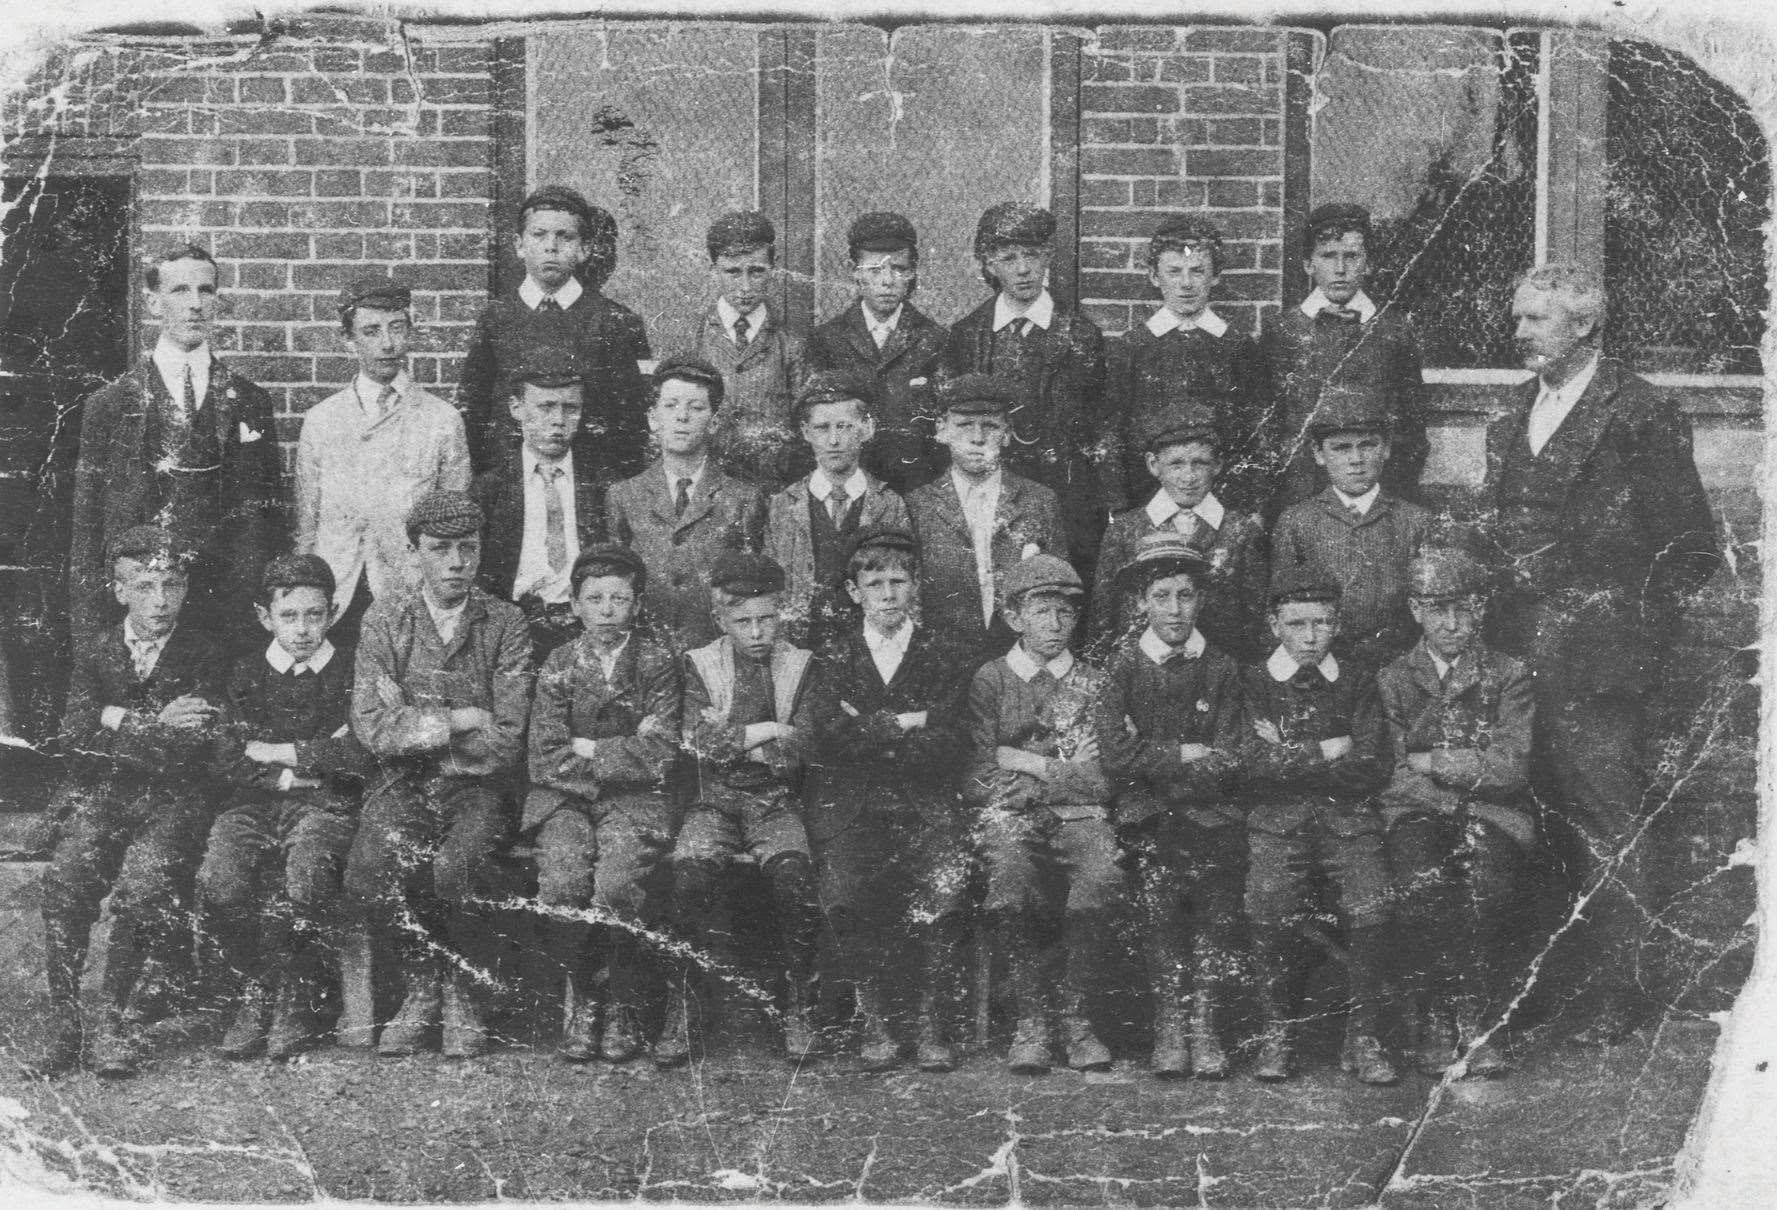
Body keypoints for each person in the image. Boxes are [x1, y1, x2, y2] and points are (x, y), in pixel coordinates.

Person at [1483, 262, 1720, 1045]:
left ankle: (1618, 993)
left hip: (1598, 659)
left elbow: (1687, 547)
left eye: (1533, 321)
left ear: (1584, 326)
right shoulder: (1518, 407)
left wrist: (1617, 620)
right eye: (1516, 318)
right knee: (1532, 814)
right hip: (1518, 652)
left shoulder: (1639, 411)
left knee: (1602, 820)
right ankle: (1545, 990)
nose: (1517, 333)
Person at [343, 490, 532, 1058]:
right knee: (371, 867)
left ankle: (465, 988)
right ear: (414, 552)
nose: (455, 562)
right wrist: (458, 719)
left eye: (467, 549)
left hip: (479, 789)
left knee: (456, 867)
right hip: (403, 786)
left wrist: (421, 728)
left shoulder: (505, 623)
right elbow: (373, 726)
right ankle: (423, 981)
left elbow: (507, 733)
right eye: (440, 549)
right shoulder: (385, 619)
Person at [33, 526, 226, 1077]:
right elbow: (72, 737)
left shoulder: (205, 654)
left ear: (186, 586)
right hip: (107, 796)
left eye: (171, 584)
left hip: (176, 800)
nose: (160, 600)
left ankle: (112, 1022)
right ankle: (66, 1022)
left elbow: (191, 751)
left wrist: (113, 719)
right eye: (143, 586)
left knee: (143, 887)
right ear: (119, 591)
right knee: (67, 881)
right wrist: (152, 724)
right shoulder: (96, 651)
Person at [807, 525, 976, 1071]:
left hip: (924, 802)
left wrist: (871, 729)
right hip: (852, 803)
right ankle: (873, 1015)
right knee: (844, 896)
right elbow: (829, 737)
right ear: (854, 592)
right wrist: (906, 722)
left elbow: (951, 739)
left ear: (916, 587)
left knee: (945, 895)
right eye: (873, 582)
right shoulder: (831, 654)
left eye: (898, 581)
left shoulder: (942, 653)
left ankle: (930, 1019)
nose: (887, 594)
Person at [197, 553, 370, 1062]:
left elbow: (358, 749)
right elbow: (225, 753)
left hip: (324, 804)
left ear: (333, 613)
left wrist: (275, 750)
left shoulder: (350, 670)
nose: (302, 629)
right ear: (264, 617)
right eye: (289, 616)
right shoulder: (245, 673)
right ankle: (258, 990)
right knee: (221, 881)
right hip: (250, 805)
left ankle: (297, 996)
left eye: (314, 615)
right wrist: (294, 770)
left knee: (307, 874)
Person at [69, 244, 284, 651]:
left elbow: (267, 521)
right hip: (146, 608)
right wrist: (90, 635)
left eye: (206, 291)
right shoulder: (109, 405)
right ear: (153, 302)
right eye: (180, 291)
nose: (195, 305)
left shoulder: (251, 402)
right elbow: (87, 530)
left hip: (226, 611)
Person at [657, 552, 824, 1065]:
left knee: (794, 877)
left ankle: (798, 1003)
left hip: (776, 800)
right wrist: (771, 729)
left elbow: (807, 744)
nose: (757, 632)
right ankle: (681, 1003)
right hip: (713, 802)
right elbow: (698, 741)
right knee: (688, 878)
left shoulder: (802, 664)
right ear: (721, 621)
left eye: (767, 618)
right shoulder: (699, 663)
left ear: (782, 614)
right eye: (743, 621)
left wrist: (744, 740)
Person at [1377, 546, 1534, 1078]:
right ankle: (1437, 1015)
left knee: (1489, 890)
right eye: (1438, 608)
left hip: (1491, 815)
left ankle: (1477, 1016)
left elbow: (1511, 768)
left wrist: (1434, 760)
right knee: (1421, 891)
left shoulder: (1508, 674)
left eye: (1463, 608)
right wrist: (1457, 781)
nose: (1452, 623)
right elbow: (1393, 769)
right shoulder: (1394, 678)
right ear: (1416, 610)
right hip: (1416, 812)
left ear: (1481, 608)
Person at [1093, 533, 1244, 1078]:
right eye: (1161, 597)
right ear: (1141, 602)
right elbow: (1115, 755)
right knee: (1157, 901)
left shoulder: (1223, 667)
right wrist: (1184, 750)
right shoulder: (1122, 667)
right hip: (1145, 816)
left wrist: (1152, 756)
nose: (1174, 610)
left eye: (1185, 595)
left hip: (1211, 815)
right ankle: (1168, 1024)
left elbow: (1229, 756)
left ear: (1200, 599)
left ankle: (1204, 1022)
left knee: (1216, 900)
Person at [524, 544, 681, 1064]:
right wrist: (618, 752)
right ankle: (585, 998)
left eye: (620, 597)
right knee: (563, 880)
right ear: (575, 605)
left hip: (635, 804)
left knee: (615, 885)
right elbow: (546, 755)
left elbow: (658, 754)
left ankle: (622, 1002)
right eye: (595, 598)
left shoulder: (658, 662)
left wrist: (587, 746)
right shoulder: (559, 663)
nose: (608, 609)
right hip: (564, 800)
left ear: (637, 604)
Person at [965, 553, 1120, 1075]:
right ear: (1014, 617)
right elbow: (978, 769)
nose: (1054, 625)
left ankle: (1076, 1018)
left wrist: (1029, 765)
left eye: (1066, 613)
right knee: (1007, 878)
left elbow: (1102, 777)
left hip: (1082, 816)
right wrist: (1056, 772)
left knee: (1100, 877)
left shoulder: (1095, 683)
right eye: (1040, 611)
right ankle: (1031, 1018)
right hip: (1010, 815)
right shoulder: (992, 679)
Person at [1241, 568, 1396, 1086]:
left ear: (1337, 624)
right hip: (1277, 822)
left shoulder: (1356, 679)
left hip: (1347, 819)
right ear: (1274, 624)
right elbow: (1249, 765)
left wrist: (1285, 753)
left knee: (1371, 899)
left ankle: (1364, 1034)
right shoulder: (1254, 681)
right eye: (1297, 623)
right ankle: (1276, 1032)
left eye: (1323, 624)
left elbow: (1372, 763)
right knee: (1267, 899)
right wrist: (1329, 748)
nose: (1310, 637)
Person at [296, 274, 470, 648]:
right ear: (349, 340)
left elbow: (455, 523)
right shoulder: (322, 419)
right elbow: (306, 524)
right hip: (338, 590)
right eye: (372, 331)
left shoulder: (441, 419)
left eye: (397, 328)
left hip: (408, 589)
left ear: (410, 332)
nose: (388, 343)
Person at [941, 202, 1111, 572]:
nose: (1022, 268)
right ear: (989, 264)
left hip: (1065, 497)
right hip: (990, 492)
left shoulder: (1080, 335)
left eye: (1032, 255)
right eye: (1009, 257)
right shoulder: (967, 335)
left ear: (1048, 257)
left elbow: (1101, 427)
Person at [456, 185, 652, 479]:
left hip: (590, 484)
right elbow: (475, 412)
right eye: (539, 235)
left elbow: (632, 424)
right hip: (513, 481)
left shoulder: (615, 321)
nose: (551, 246)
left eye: (565, 236)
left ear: (585, 248)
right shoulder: (496, 318)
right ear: (519, 245)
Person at [1258, 202, 1428, 516]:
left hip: (1377, 496)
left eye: (1351, 256)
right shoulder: (1281, 333)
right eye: (1327, 256)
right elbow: (1268, 425)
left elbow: (1412, 425)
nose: (1340, 269)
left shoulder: (1393, 331)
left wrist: (1395, 489)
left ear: (1369, 264)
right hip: (1301, 494)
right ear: (1308, 264)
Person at [606, 355, 766, 652]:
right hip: (646, 656)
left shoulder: (743, 498)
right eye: (670, 406)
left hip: (715, 652)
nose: (682, 417)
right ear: (653, 418)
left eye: (696, 408)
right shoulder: (624, 496)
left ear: (714, 421)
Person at [1090, 399, 1269, 664]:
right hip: (1141, 674)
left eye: (1200, 463)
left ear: (1218, 465)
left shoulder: (1241, 531)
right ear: (1153, 465)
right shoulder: (1125, 531)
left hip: (1219, 675)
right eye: (1176, 464)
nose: (1189, 476)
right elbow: (1104, 619)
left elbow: (1256, 620)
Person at [1108, 215, 1268, 511]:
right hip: (1147, 499)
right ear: (1155, 277)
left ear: (1215, 275)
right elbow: (1113, 434)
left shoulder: (1238, 347)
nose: (1185, 284)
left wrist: (1252, 507)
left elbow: (1256, 434)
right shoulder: (1131, 348)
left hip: (1223, 502)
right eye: (1174, 271)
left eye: (1197, 271)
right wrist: (1119, 507)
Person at [1270, 385, 1430, 671]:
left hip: (1396, 666)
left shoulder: (1415, 521)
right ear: (1318, 454)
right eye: (1341, 448)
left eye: (1367, 445)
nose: (1356, 460)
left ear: (1386, 448)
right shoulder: (1297, 521)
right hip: (1324, 668)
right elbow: (1280, 608)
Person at [905, 374, 1063, 655]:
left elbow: (1059, 593)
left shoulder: (1039, 501)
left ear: (1006, 433)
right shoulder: (919, 505)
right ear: (941, 430)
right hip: (942, 661)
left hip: (1017, 660)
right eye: (964, 425)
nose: (977, 438)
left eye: (990, 426)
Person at [470, 346, 608, 661]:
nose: (558, 421)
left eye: (571, 408)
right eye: (546, 407)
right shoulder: (489, 490)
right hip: (511, 630)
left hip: (585, 628)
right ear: (517, 408)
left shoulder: (603, 486)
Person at [763, 370, 910, 649]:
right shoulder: (783, 506)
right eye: (822, 428)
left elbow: (908, 590)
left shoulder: (889, 504)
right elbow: (772, 592)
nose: (833, 441)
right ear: (805, 432)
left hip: (872, 652)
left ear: (867, 428)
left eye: (844, 427)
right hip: (801, 650)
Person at [805, 211, 949, 494]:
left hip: (916, 485)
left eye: (898, 268)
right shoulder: (826, 340)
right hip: (848, 485)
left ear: (912, 272)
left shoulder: (935, 340)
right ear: (854, 273)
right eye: (874, 270)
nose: (887, 281)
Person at [694, 210, 809, 488]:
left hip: (773, 485)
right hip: (711, 486)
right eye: (732, 272)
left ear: (774, 266)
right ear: (713, 269)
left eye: (756, 271)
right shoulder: (694, 336)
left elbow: (806, 423)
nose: (745, 286)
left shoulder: (792, 342)